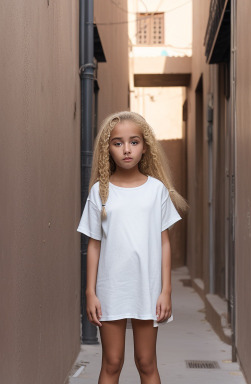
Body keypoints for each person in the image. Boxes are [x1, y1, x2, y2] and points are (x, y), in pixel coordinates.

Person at [77, 111, 189, 384]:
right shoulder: (99, 193)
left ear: (145, 146)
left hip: (147, 289)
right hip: (111, 289)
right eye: (118, 143)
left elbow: (164, 242)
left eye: (134, 142)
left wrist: (166, 290)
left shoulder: (157, 191)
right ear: (108, 149)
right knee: (112, 363)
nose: (126, 149)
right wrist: (90, 292)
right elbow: (94, 244)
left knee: (146, 362)